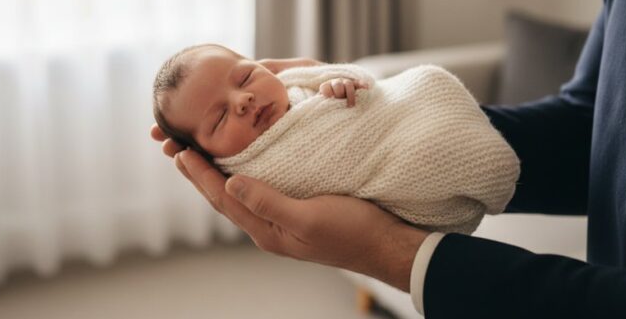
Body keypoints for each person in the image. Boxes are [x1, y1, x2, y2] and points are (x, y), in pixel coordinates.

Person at [151, 0, 626, 316]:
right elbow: (601, 127)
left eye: (244, 78)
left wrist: (396, 253)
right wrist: (419, 135)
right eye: (218, 116)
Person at [152, 44, 519, 234]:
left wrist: (339, 84)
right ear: (208, 154)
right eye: (219, 118)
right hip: (399, 160)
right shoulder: (254, 171)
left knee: (428, 78)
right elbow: (325, 169)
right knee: (428, 153)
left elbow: (364, 84)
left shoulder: (294, 84)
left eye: (245, 77)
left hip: (398, 112)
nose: (243, 101)